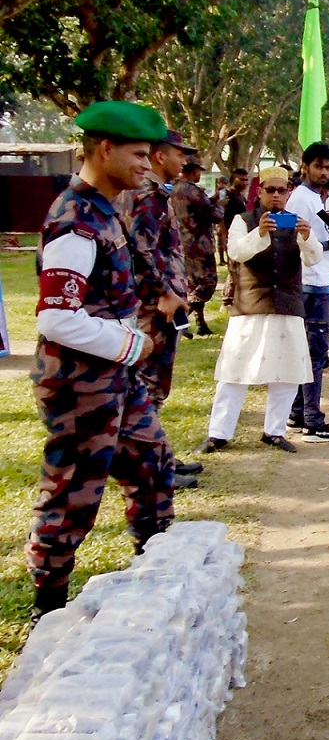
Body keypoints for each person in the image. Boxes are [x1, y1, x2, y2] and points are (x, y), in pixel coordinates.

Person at [29, 100, 176, 617]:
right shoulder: (77, 220)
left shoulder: (106, 209)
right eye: (139, 153)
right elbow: (56, 318)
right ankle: (47, 608)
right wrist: (131, 344)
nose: (147, 163)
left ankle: (155, 573)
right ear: (105, 149)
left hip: (115, 379)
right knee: (73, 498)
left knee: (154, 465)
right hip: (80, 385)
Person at [199, 166, 324, 455]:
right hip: (251, 307)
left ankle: (275, 431)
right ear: (260, 192)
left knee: (287, 373)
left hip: (288, 306)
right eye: (271, 190)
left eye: (282, 190)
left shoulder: (299, 223)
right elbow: (237, 252)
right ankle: (219, 434)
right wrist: (260, 233)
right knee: (234, 372)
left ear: (289, 193)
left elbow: (314, 259)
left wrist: (306, 238)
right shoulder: (243, 221)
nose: (277, 195)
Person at [117, 128, 199, 487]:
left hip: (162, 303)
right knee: (147, 386)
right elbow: (143, 250)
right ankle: (149, 466)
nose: (184, 160)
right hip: (154, 306)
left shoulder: (156, 193)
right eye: (179, 153)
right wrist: (164, 292)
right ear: (160, 155)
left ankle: (160, 456)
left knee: (153, 386)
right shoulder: (147, 194)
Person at [284, 141, 329, 443]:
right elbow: (298, 242)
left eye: (328, 167)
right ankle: (313, 421)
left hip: (318, 279)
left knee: (311, 351)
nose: (324, 172)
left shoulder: (313, 199)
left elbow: (320, 238)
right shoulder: (301, 199)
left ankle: (298, 413)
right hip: (310, 282)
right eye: (318, 166)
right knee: (314, 353)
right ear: (305, 166)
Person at [171, 153, 223, 335]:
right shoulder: (194, 191)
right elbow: (215, 216)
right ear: (193, 171)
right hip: (200, 244)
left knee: (192, 284)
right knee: (207, 283)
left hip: (182, 243)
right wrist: (218, 204)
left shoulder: (173, 189)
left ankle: (200, 324)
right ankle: (181, 319)